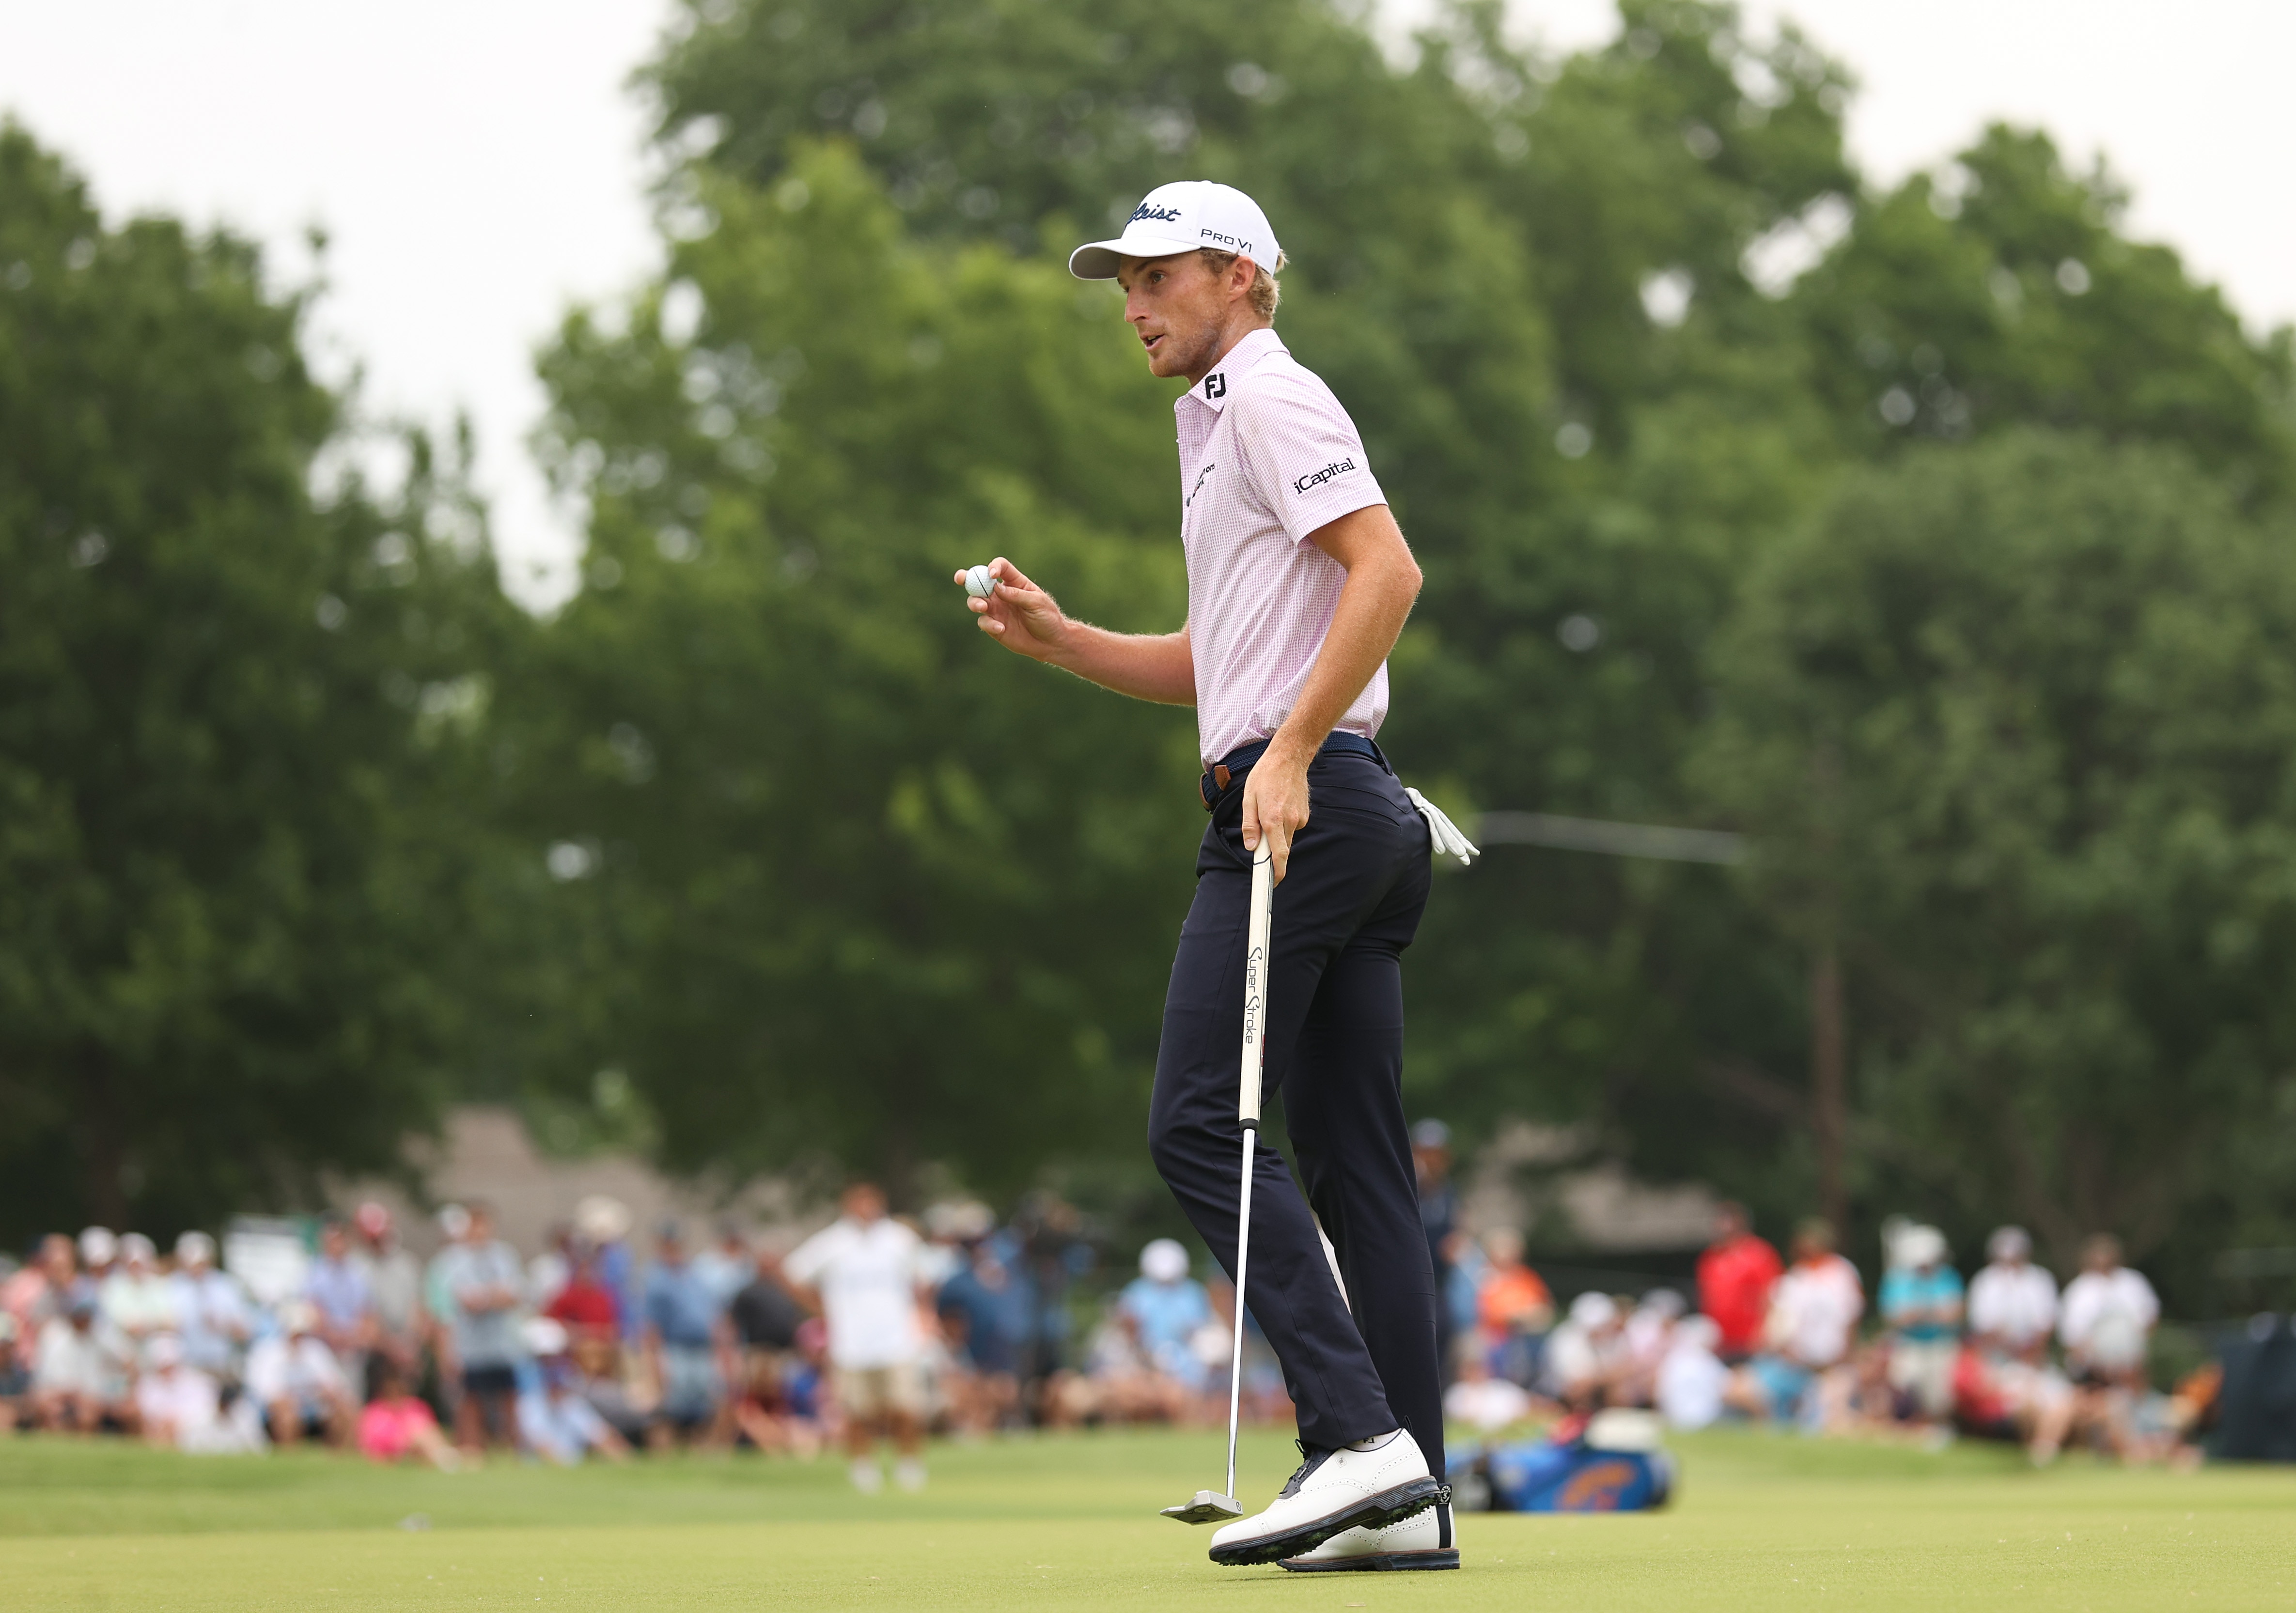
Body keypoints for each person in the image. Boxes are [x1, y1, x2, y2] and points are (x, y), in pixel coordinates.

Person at [968, 179, 1464, 1572]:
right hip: (1345, 813)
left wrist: (1293, 749)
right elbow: (1218, 658)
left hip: (1297, 807)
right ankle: (1408, 1495)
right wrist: (1063, 640)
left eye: (1159, 278)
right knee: (1362, 1171)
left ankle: (1354, 1442)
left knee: (1193, 1123)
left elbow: (1389, 573)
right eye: (1122, 283)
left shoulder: (1268, 397)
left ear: (1241, 277)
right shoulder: (1213, 429)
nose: (1132, 306)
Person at [784, 1182, 931, 1493]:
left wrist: (921, 1316)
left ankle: (910, 1465)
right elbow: (792, 1273)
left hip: (896, 1340)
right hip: (852, 1344)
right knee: (856, 1411)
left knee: (905, 1407)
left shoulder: (899, 1239)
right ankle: (863, 1468)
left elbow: (924, 1279)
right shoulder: (834, 1242)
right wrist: (823, 1311)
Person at [1744, 1219, 1863, 1425]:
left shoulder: (1842, 1272)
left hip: (1832, 1365)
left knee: (1831, 1415)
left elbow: (1851, 1317)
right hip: (1795, 1365)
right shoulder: (1796, 1277)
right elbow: (1778, 1322)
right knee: (1750, 1389)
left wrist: (1844, 1357)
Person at [433, 1201, 528, 1452]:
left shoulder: (504, 1255)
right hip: (470, 1346)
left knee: (509, 1398)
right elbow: (466, 1301)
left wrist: (488, 1298)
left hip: (502, 1344)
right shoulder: (454, 1260)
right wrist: (494, 1296)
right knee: (471, 1401)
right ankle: (472, 1449)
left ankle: (514, 1449)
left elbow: (514, 1295)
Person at [642, 1220, 731, 1448]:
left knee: (704, 1403)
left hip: (702, 1349)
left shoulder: (695, 1276)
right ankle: (664, 1451)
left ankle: (699, 1450)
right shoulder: (656, 1279)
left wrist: (722, 1350)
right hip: (676, 1348)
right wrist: (656, 1360)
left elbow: (713, 1315)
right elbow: (652, 1327)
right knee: (672, 1405)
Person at [1879, 1225, 1964, 1420]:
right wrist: (1930, 1314)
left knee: (1940, 1393)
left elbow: (1954, 1314)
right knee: (1903, 1385)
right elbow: (1893, 1317)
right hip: (1908, 1344)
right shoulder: (1897, 1280)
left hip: (1941, 1344)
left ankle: (1938, 1427)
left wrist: (1919, 1315)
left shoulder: (1948, 1277)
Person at [245, 1300, 356, 1448]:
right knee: (287, 1414)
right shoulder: (269, 1353)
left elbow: (334, 1385)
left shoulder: (316, 1351)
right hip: (281, 1411)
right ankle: (290, 1456)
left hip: (314, 1408)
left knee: (345, 1409)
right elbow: (268, 1394)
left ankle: (342, 1458)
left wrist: (328, 1394)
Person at [520, 1318, 631, 1464]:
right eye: (546, 1359)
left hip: (573, 1461)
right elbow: (542, 1446)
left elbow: (602, 1436)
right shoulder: (529, 1403)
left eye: (557, 1357)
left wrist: (624, 1460)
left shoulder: (571, 1402)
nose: (553, 1364)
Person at [2059, 1234, 2158, 1388]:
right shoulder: (2078, 1290)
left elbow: (2150, 1320)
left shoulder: (2134, 1282)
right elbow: (2071, 1336)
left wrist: (2130, 1360)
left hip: (2131, 1369)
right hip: (2093, 1373)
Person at [349, 1203, 426, 1391]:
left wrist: (411, 1346)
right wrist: (393, 1349)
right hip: (372, 1353)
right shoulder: (355, 1267)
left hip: (406, 1347)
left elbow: (419, 1310)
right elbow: (365, 1318)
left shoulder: (407, 1265)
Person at [33, 1292, 134, 1433]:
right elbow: (49, 1380)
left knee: (88, 1413)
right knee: (50, 1408)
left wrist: (125, 1392)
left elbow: (128, 1363)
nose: (83, 1320)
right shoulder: (56, 1337)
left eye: (86, 1317)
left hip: (90, 1396)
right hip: (62, 1393)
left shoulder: (101, 1340)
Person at [1697, 1203, 1782, 1364]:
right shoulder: (1710, 1258)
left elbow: (1772, 1295)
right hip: (1720, 1341)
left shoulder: (1759, 1253)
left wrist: (1763, 1332)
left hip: (1751, 1340)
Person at [1472, 1229, 1554, 1388]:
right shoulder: (1485, 1276)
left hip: (1528, 1336)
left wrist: (1523, 1314)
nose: (1507, 1254)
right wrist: (1520, 1314)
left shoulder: (1528, 1277)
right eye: (1502, 1249)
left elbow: (1544, 1309)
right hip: (1496, 1338)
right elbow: (1490, 1311)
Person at [169, 1231, 254, 1381]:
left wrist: (223, 1325)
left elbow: (246, 1331)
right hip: (184, 1367)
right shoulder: (172, 1286)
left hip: (221, 1364)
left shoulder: (227, 1286)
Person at [1968, 1226, 2059, 1362]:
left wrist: (2030, 1348)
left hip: (2032, 1356)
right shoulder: (1984, 1281)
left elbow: (2047, 1321)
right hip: (1994, 1355)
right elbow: (1980, 1323)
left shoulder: (2040, 1279)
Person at [304, 1219, 375, 1387]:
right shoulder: (313, 1274)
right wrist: (335, 1336)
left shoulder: (359, 1272)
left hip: (353, 1350)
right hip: (324, 1349)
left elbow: (367, 1313)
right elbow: (313, 1313)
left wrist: (353, 1339)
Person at [359, 1358, 460, 1470]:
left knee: (420, 1431)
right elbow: (371, 1445)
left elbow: (433, 1432)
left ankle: (446, 1458)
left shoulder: (417, 1406)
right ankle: (447, 1459)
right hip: (397, 1452)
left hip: (419, 1450)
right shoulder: (375, 1411)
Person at [134, 1332, 223, 1451]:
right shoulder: (147, 1383)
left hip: (191, 1431)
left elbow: (206, 1411)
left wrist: (179, 1422)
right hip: (158, 1428)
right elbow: (146, 1408)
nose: (168, 1370)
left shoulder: (198, 1382)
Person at [99, 1233, 176, 1358]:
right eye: (133, 1264)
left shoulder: (159, 1284)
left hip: (158, 1355)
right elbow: (129, 1326)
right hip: (126, 1354)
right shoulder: (113, 1287)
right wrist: (154, 1325)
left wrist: (147, 1326)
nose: (136, 1268)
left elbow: (170, 1322)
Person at [1657, 1315, 1732, 1432]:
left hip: (1674, 1419)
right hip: (1704, 1420)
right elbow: (1730, 1389)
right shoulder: (1706, 1360)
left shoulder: (1673, 1359)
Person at [1441, 1349, 1532, 1433]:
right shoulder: (1457, 1393)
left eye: (1479, 1368)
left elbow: (1526, 1406)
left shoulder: (1502, 1387)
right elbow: (1460, 1419)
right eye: (1471, 1369)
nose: (1476, 1373)